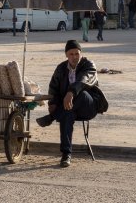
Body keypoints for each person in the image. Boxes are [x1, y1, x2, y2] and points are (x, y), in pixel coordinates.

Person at [34, 40, 102, 168]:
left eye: (77, 54)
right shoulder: (61, 68)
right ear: (66, 55)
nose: (75, 57)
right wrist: (52, 103)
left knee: (81, 94)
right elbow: (53, 87)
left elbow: (84, 80)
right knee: (67, 114)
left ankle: (52, 118)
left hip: (88, 106)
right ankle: (66, 154)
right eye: (71, 54)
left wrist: (71, 92)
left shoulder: (89, 65)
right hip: (69, 107)